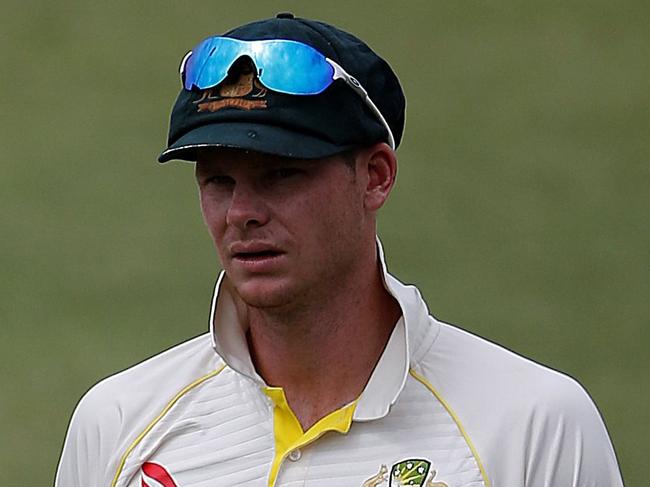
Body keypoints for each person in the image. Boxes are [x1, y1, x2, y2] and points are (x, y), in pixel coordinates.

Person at [56, 13, 624, 487]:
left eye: (281, 175)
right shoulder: (116, 424)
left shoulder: (535, 426)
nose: (241, 212)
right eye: (218, 181)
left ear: (376, 177)